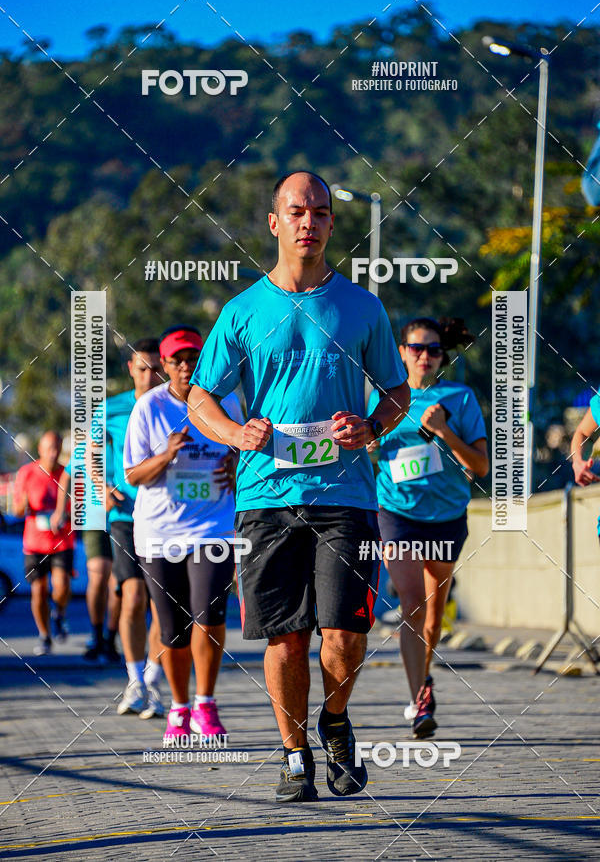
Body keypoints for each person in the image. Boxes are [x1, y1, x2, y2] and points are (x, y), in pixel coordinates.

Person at [188, 170, 410, 802]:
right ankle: (293, 755)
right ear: (275, 223)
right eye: (297, 211)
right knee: (284, 638)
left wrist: (371, 425)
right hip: (266, 497)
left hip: (346, 496)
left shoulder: (362, 307)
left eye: (319, 211)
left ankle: (335, 722)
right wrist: (235, 432)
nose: (308, 221)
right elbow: (199, 397)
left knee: (345, 634)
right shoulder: (242, 312)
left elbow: (398, 391)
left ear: (332, 224)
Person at [367, 317, 488, 738]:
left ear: (442, 356)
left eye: (433, 350)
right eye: (416, 348)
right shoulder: (382, 399)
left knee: (434, 617)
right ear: (401, 352)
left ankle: (426, 675)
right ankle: (419, 700)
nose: (424, 356)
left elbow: (481, 466)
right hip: (396, 514)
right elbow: (366, 455)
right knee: (412, 605)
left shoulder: (460, 397)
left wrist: (444, 431)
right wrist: (369, 447)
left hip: (446, 517)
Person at [124, 325, 242, 742]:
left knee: (209, 619)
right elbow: (134, 475)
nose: (186, 366)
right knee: (172, 628)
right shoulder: (149, 408)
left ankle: (205, 704)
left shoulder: (225, 403)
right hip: (159, 532)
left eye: (193, 358)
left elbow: (244, 449)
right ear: (165, 366)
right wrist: (167, 454)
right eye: (177, 360)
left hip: (214, 528)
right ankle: (179, 706)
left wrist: (235, 466)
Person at [94, 339, 166, 717]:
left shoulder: (176, 405)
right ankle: (134, 680)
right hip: (124, 516)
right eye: (143, 368)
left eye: (156, 368)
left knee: (162, 603)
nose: (150, 375)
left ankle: (153, 680)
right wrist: (100, 488)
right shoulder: (111, 409)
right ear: (130, 369)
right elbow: (88, 454)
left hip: (165, 517)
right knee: (133, 597)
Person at [51, 458, 121, 663]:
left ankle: (111, 638)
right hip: (94, 519)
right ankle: (97, 636)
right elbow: (66, 475)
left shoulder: (127, 435)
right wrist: (60, 509)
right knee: (99, 574)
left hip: (124, 518)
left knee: (117, 583)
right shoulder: (91, 443)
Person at [13, 431, 74, 655]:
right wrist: (24, 506)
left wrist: (63, 515)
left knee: (62, 587)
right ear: (40, 449)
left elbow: (79, 507)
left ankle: (58, 613)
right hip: (34, 543)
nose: (53, 453)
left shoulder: (66, 473)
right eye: (49, 448)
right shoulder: (27, 472)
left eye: (56, 448)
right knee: (38, 591)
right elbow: (17, 509)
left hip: (61, 541)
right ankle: (44, 635)